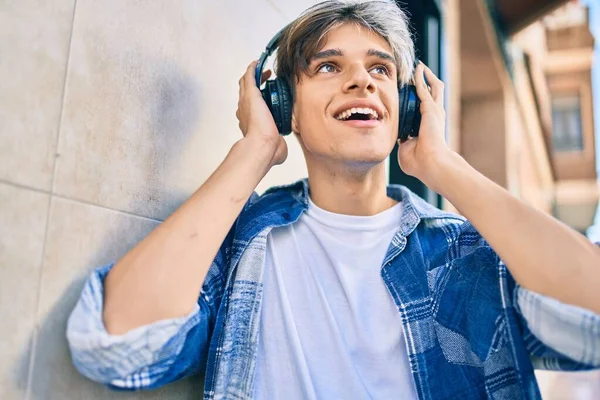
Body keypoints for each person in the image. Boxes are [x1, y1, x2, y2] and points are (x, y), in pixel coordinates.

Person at [66, 1, 600, 399]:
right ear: (284, 107)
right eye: (328, 67)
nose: (361, 83)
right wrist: (253, 150)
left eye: (380, 69)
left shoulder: (468, 254)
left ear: (406, 107)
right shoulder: (238, 241)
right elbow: (116, 345)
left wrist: (445, 167)